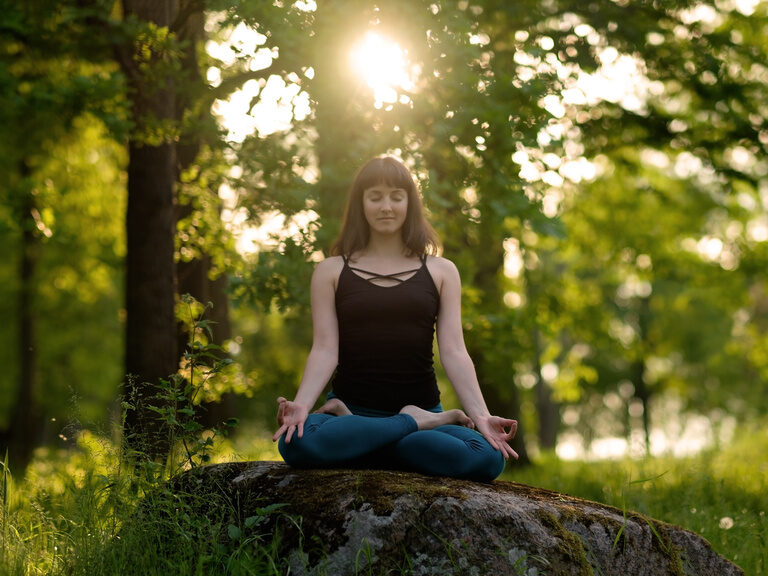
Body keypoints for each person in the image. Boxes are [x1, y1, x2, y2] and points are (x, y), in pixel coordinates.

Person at [272, 155, 518, 482]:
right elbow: (325, 349)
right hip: (355, 413)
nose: (386, 206)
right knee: (296, 444)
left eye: (396, 197)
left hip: (412, 410)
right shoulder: (330, 271)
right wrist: (302, 405)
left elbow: (455, 351)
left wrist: (482, 416)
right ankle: (410, 424)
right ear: (361, 204)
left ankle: (373, 439)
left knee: (488, 457)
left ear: (410, 203)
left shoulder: (441, 271)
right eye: (375, 197)